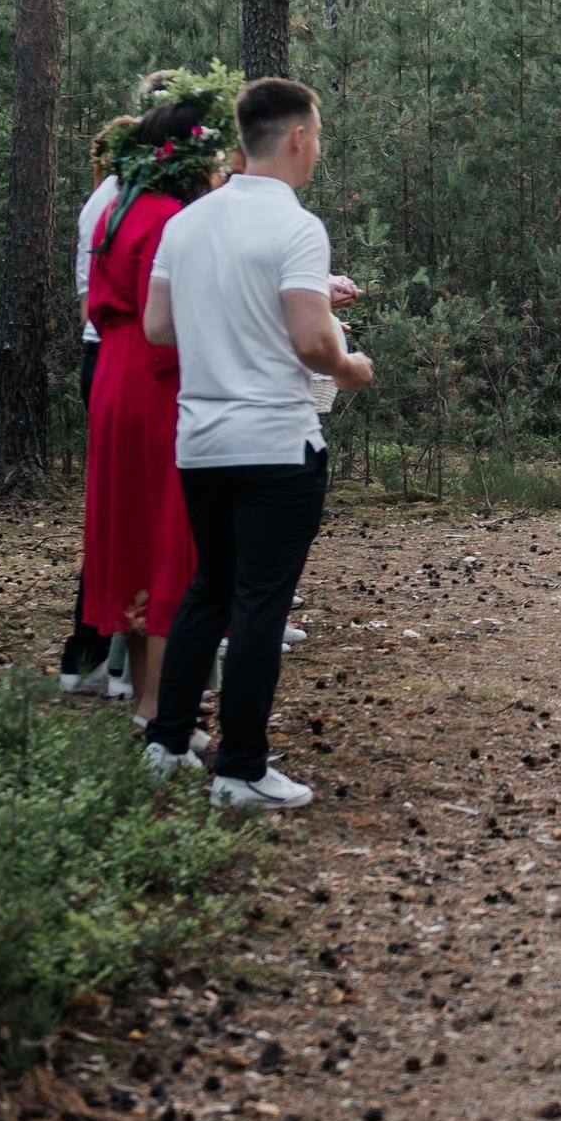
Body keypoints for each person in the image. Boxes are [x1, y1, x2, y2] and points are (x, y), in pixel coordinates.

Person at [142, 77, 373, 811]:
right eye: (320, 135)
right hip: (274, 440)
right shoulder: (298, 226)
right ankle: (241, 768)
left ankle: (166, 743)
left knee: (210, 589)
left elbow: (157, 328)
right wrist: (349, 365)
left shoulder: (188, 222)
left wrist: (230, 325)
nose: (320, 149)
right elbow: (310, 340)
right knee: (260, 605)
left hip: (202, 441)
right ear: (298, 136)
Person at [82, 94, 231, 722]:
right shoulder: (173, 218)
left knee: (136, 538)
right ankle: (159, 709)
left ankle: (149, 701)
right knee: (171, 542)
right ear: (190, 155)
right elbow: (169, 324)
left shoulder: (117, 208)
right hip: (157, 381)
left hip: (115, 376)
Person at [59, 111, 135, 699]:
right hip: (115, 357)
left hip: (110, 355)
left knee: (120, 510)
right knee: (124, 511)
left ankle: (96, 654)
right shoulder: (119, 200)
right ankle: (100, 657)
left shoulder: (111, 196)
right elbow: (94, 304)